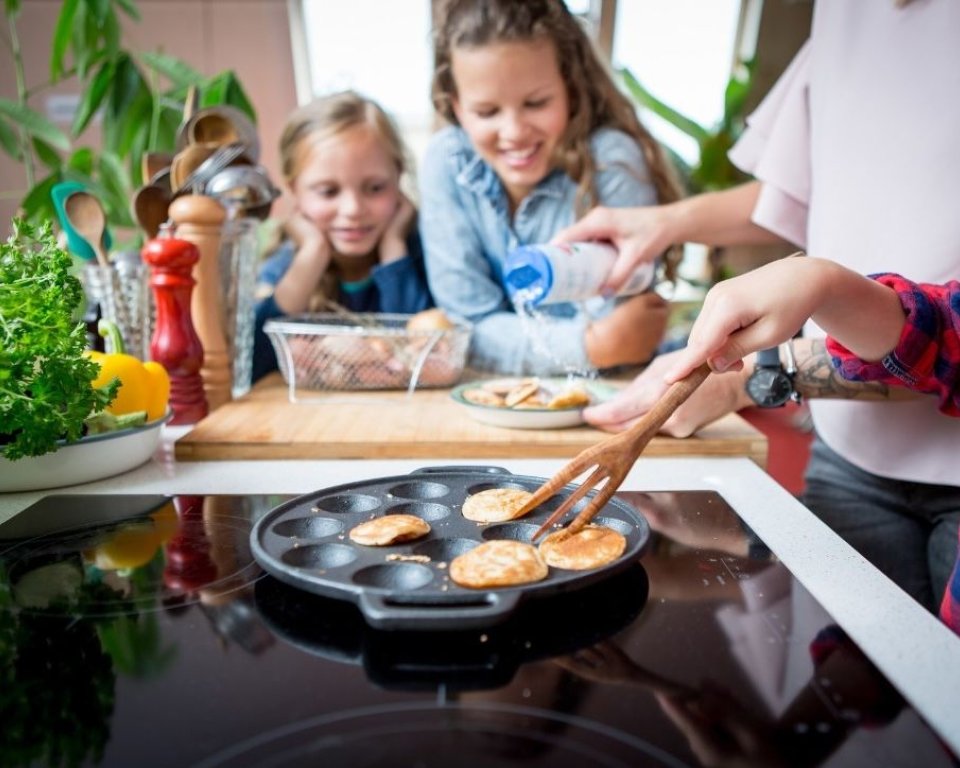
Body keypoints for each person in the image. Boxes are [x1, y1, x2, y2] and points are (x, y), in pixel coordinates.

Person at [553, 0, 960, 615]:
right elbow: (809, 185)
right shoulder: (844, 14)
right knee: (858, 691)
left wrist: (757, 373)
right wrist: (660, 225)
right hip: (846, 457)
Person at [419, 0, 681, 375]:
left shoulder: (611, 160)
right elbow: (464, 327)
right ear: (456, 106)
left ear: (570, 88)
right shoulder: (446, 161)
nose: (514, 132)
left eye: (537, 103)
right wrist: (591, 345)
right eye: (486, 112)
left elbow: (628, 331)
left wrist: (610, 343)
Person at [252, 91, 432, 382]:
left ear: (398, 177)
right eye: (328, 192)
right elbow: (254, 365)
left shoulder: (421, 254)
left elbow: (423, 351)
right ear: (293, 189)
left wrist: (394, 252)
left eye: (375, 188)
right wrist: (311, 256)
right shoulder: (286, 264)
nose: (353, 210)